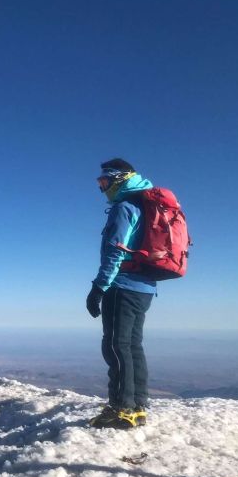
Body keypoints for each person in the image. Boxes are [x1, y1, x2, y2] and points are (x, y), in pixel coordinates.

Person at [86, 158, 156, 429]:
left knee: (115, 346)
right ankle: (137, 407)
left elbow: (116, 251)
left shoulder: (124, 208)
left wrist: (99, 287)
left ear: (119, 179)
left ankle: (121, 408)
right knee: (132, 346)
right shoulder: (143, 206)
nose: (102, 189)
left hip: (123, 286)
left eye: (104, 182)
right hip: (145, 288)